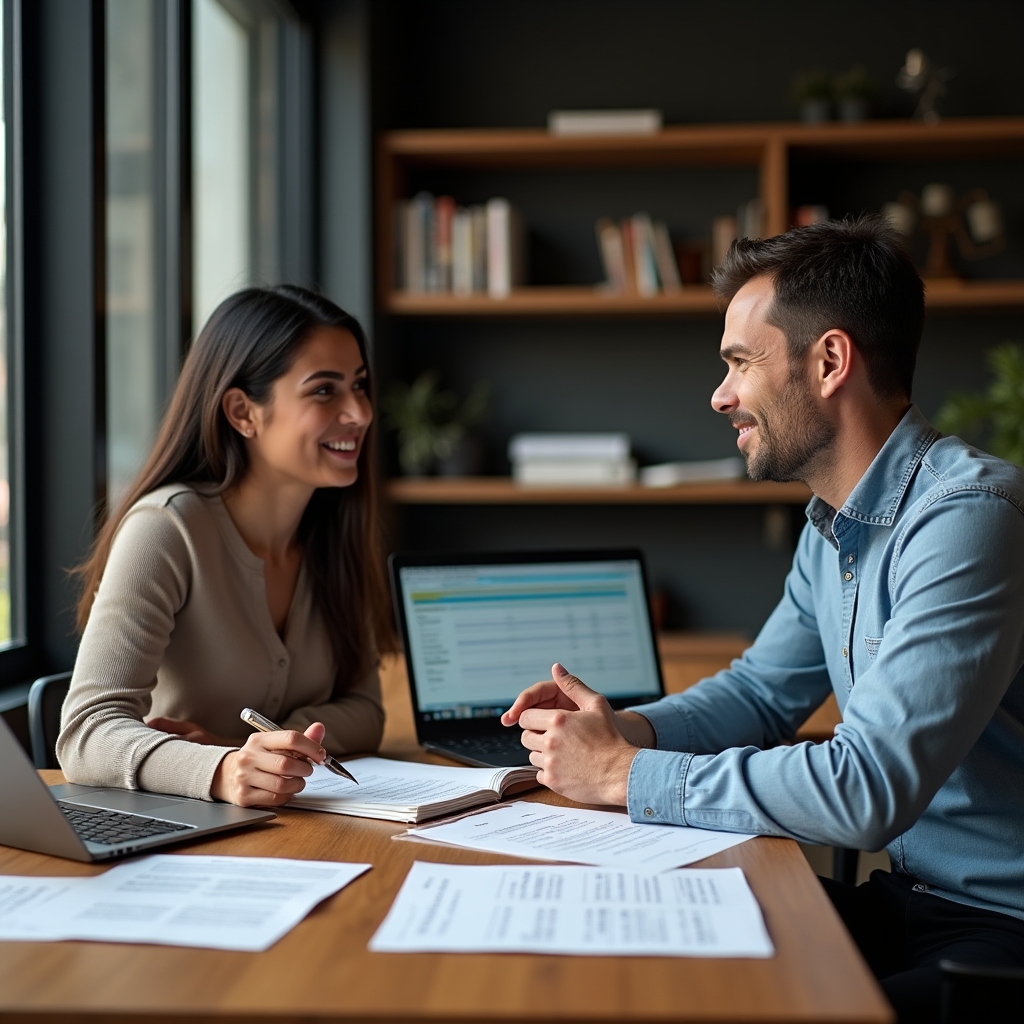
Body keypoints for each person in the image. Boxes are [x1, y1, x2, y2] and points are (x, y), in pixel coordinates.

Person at [502, 217, 1024, 1022]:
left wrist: (622, 775)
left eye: (741, 363)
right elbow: (758, 694)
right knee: (645, 957)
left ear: (830, 362)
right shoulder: (835, 524)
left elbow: (869, 789)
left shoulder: (968, 517)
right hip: (913, 902)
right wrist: (621, 731)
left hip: (1002, 928)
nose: (721, 395)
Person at [59, 285, 393, 808]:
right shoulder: (167, 530)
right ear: (242, 412)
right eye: (325, 390)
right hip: (178, 829)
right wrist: (221, 768)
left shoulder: (333, 534)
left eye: (359, 385)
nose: (360, 412)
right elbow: (86, 733)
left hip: (287, 825)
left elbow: (366, 711)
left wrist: (252, 748)